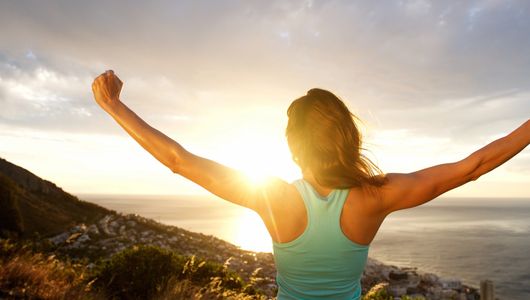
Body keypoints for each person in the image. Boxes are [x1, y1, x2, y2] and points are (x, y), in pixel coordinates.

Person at [91, 70, 529, 300]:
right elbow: (473, 166)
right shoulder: (375, 196)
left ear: (293, 145)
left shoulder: (273, 197)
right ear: (349, 137)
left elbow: (177, 160)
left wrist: (114, 106)